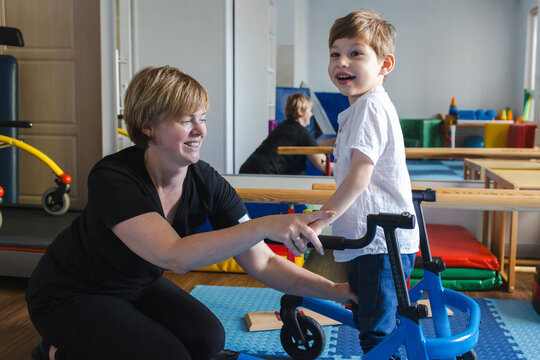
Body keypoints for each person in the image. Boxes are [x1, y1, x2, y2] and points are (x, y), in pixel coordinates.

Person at [26, 66, 357, 360]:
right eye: (186, 121)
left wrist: (337, 291)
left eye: (203, 118)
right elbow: (174, 256)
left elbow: (264, 262)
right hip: (68, 294)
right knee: (167, 354)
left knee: (209, 339)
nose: (201, 130)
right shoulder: (113, 177)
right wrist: (265, 225)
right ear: (147, 127)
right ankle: (58, 350)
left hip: (134, 288)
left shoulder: (206, 182)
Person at [304, 10, 419, 360]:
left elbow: (359, 176)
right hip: (373, 240)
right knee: (370, 313)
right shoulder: (361, 107)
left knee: (375, 330)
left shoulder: (369, 107)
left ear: (385, 64)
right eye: (335, 53)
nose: (342, 61)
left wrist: (322, 218)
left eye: (356, 53)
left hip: (380, 244)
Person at [239, 93, 333, 175]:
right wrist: (345, 169)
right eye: (309, 110)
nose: (311, 114)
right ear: (300, 111)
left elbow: (313, 146)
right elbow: (324, 166)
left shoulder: (287, 126)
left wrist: (335, 140)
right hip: (261, 173)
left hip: (249, 169)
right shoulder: (300, 132)